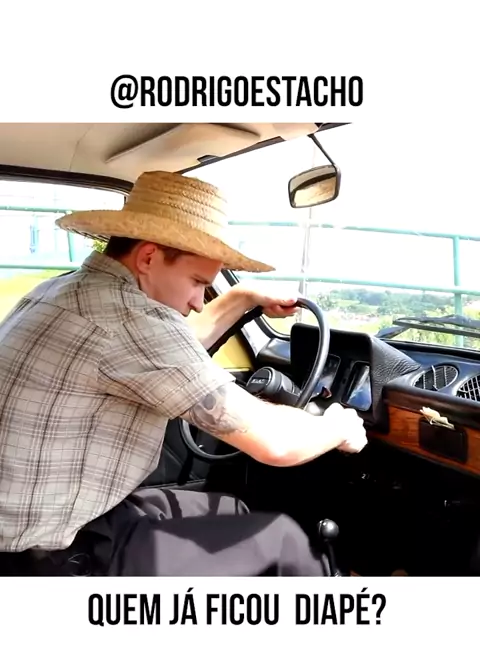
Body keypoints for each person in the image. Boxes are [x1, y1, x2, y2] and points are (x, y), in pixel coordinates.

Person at [0, 170, 367, 576]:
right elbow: (277, 444)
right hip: (48, 558)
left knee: (230, 509)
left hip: (45, 519)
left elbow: (168, 357)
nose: (198, 302)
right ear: (148, 257)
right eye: (197, 282)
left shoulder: (66, 290)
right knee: (284, 541)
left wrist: (241, 297)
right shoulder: (132, 319)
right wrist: (338, 426)